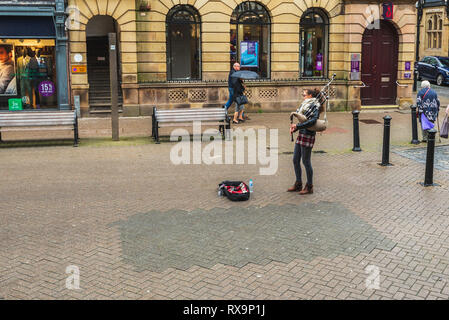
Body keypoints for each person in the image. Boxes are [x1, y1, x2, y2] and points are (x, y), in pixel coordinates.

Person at [287, 88, 321, 195]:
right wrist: (296, 128)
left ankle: (309, 186)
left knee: (306, 161)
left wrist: (298, 125)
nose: (303, 96)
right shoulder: (305, 104)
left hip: (308, 135)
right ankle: (298, 183)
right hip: (302, 133)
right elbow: (303, 119)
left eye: (304, 95)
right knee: (295, 159)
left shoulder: (315, 105)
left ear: (310, 95)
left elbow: (313, 120)